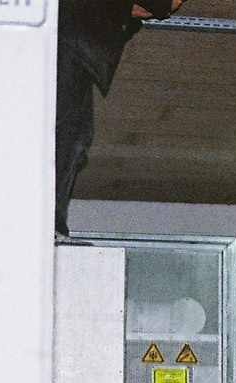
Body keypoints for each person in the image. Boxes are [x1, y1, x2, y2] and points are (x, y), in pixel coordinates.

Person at [55, 0, 183, 239]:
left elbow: (157, 8)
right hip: (72, 43)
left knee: (73, 138)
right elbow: (165, 5)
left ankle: (49, 222)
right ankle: (48, 223)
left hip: (75, 43)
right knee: (67, 136)